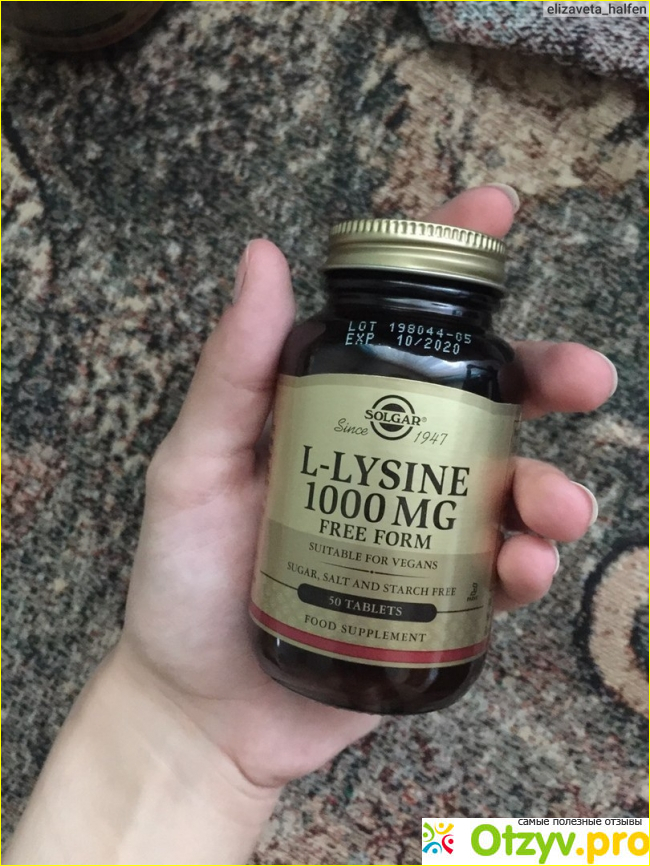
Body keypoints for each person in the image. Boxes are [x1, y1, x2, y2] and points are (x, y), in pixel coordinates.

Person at [5, 186, 616, 866]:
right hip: (282, 638)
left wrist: (192, 741)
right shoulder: (334, 348)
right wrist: (174, 713)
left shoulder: (478, 366)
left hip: (406, 641)